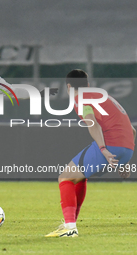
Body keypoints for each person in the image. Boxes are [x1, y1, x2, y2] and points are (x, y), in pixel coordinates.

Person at [45, 69, 136, 237]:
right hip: (127, 148)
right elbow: (132, 130)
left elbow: (92, 123)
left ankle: (70, 228)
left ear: (69, 87)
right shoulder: (104, 96)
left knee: (65, 177)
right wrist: (126, 161)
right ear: (87, 84)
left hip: (111, 146)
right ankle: (69, 223)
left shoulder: (80, 98)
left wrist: (103, 149)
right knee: (78, 176)